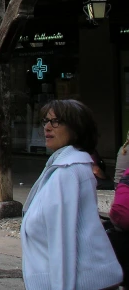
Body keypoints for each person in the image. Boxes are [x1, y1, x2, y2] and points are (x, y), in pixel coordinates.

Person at [20, 99, 123, 290]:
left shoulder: (68, 171)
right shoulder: (60, 166)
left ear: (76, 129)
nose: (48, 127)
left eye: (56, 121)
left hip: (81, 283)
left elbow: (62, 241)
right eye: (46, 121)